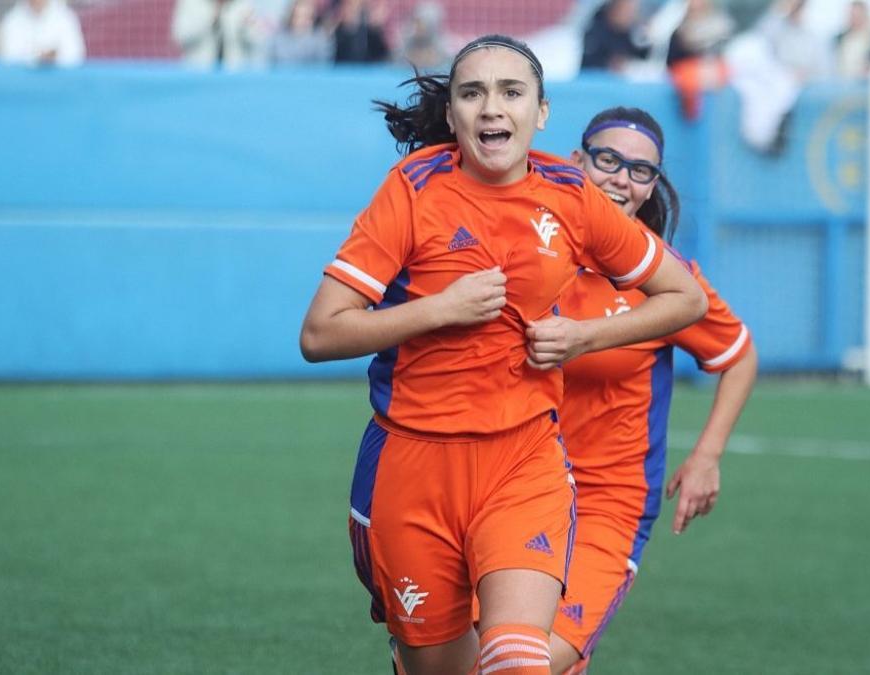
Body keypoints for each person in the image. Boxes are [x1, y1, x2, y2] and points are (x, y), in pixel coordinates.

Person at [299, 34, 707, 675]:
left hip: (524, 462)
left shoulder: (569, 195)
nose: (492, 107)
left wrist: (581, 338)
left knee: (518, 660)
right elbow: (320, 333)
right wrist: (441, 308)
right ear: (455, 115)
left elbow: (684, 298)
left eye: (511, 92)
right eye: (473, 93)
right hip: (414, 468)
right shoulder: (411, 190)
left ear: (540, 112)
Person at [547, 106, 757, 674]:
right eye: (609, 160)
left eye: (641, 171)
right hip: (513, 489)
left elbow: (737, 355)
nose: (622, 178)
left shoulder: (663, 277)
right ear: (576, 162)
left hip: (607, 502)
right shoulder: (535, 251)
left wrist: (707, 456)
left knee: (526, 662)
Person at [665, 0, 733, 120]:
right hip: (686, 72)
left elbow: (721, 56)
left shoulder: (719, 27)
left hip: (712, 71)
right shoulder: (679, 29)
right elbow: (672, 62)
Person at [171, 0, 264, 69]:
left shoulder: (243, 4)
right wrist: (211, 20)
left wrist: (246, 28)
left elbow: (257, 42)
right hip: (199, 73)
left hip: (234, 75)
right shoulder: (191, 3)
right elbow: (181, 36)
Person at [0, 0, 85, 67]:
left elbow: (76, 56)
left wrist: (54, 58)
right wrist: (37, 59)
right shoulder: (12, 20)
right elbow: (8, 59)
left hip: (60, 84)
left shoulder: (66, 17)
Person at [579, 0, 648, 72]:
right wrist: (608, 63)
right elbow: (587, 61)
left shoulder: (633, 32)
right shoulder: (594, 29)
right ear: (614, 8)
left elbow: (642, 57)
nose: (631, 15)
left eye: (633, 11)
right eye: (626, 10)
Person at [268, 0, 332, 67]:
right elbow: (272, 63)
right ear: (292, 16)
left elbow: (324, 66)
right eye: (299, 16)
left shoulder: (320, 39)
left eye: (306, 16)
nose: (302, 20)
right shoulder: (279, 38)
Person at [396, 1, 449, 72]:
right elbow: (401, 58)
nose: (418, 26)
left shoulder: (438, 40)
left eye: (421, 22)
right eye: (417, 22)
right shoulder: (409, 36)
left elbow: (438, 59)